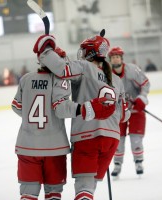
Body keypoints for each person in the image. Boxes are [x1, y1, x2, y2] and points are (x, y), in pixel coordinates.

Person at [34, 32, 130, 200]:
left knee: (83, 187)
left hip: (87, 136)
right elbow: (124, 116)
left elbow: (62, 70)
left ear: (91, 52)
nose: (82, 54)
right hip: (111, 139)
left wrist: (46, 50)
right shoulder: (117, 80)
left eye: (85, 51)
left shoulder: (85, 67)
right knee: (90, 186)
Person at [11, 46, 115, 200]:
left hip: (27, 146)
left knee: (28, 193)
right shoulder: (61, 79)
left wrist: (33, 122)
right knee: (53, 193)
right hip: (55, 147)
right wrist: (85, 109)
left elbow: (17, 107)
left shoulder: (26, 78)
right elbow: (61, 109)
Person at [108, 46, 150, 177]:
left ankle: (138, 162)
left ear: (121, 58)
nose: (115, 59)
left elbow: (145, 84)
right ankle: (117, 164)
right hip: (118, 113)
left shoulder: (132, 70)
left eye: (117, 57)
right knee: (118, 140)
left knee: (136, 139)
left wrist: (141, 98)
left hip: (136, 111)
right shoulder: (107, 74)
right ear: (110, 60)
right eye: (113, 57)